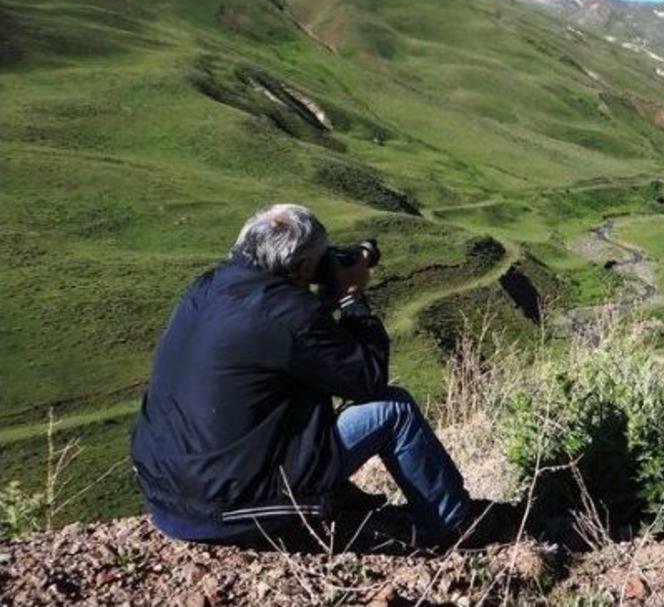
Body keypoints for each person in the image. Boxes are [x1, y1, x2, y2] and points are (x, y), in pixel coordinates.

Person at [130, 203, 486, 548]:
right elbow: (367, 378)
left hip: (167, 496)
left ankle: (341, 499)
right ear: (302, 267)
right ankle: (452, 524)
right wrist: (351, 298)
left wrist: (319, 300)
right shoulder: (287, 313)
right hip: (232, 505)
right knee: (394, 410)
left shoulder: (206, 286)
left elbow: (294, 344)